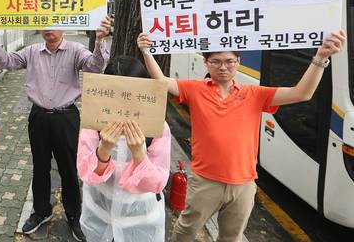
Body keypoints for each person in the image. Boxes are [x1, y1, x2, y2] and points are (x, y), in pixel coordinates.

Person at [137, 30, 346, 242]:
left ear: (238, 61)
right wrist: (146, 52)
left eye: (229, 61)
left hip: (243, 185)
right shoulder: (195, 89)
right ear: (206, 63)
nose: (223, 67)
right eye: (216, 61)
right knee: (186, 230)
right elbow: (162, 81)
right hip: (204, 181)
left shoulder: (254, 94)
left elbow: (302, 93)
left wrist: (320, 58)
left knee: (232, 237)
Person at [0, 16, 112, 241]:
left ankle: (73, 215)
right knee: (40, 167)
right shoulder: (32, 51)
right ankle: (41, 211)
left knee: (68, 168)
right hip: (38, 116)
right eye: (45, 25)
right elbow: (7, 62)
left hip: (66, 117)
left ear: (65, 26)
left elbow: (96, 67)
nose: (49, 29)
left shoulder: (76, 50)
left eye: (54, 24)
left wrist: (99, 41)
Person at [76, 56, 171, 242]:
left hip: (140, 221)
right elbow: (85, 172)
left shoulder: (157, 128)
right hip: (99, 214)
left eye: (132, 96)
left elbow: (157, 183)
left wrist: (139, 155)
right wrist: (103, 150)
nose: (123, 106)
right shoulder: (93, 124)